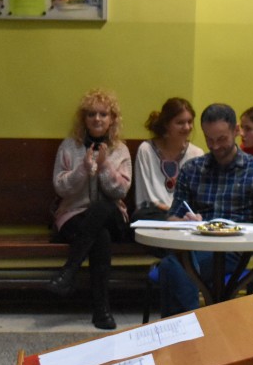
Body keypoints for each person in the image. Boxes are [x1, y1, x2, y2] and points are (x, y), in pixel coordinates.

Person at [157, 103, 253, 317]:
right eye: (209, 139)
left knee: (173, 266)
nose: (215, 146)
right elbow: (173, 216)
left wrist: (237, 231)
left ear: (236, 131)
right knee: (176, 263)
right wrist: (186, 222)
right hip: (197, 245)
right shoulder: (192, 169)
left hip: (236, 250)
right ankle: (194, 328)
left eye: (221, 139)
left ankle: (187, 330)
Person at [49, 88, 133, 329]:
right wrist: (82, 170)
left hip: (113, 216)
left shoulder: (120, 149)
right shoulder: (69, 146)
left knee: (103, 208)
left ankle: (69, 271)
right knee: (100, 236)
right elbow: (60, 188)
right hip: (75, 216)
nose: (97, 119)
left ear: (112, 119)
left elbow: (121, 191)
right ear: (84, 119)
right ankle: (101, 312)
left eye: (103, 114)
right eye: (91, 114)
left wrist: (105, 167)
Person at [133, 97, 203, 221]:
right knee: (140, 215)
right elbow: (145, 198)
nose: (187, 127)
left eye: (190, 122)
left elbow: (196, 197)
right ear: (166, 124)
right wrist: (171, 215)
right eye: (180, 123)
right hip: (155, 214)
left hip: (185, 215)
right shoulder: (146, 150)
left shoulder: (196, 154)